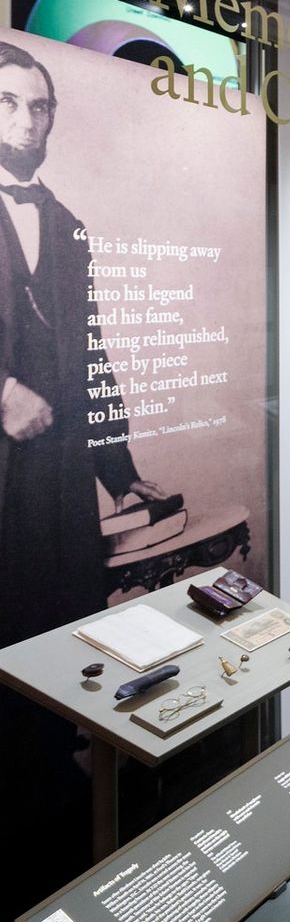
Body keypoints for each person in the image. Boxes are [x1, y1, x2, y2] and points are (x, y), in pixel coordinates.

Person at [0, 43, 170, 645]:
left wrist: (119, 472)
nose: (26, 120)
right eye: (7, 102)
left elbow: (89, 356)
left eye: (39, 106)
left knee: (61, 644)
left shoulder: (68, 226)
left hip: (60, 477)